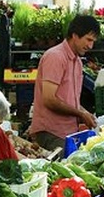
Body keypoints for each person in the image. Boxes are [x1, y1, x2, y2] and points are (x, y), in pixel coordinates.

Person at [28, 14, 100, 151]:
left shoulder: (77, 62)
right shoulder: (55, 57)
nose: (91, 45)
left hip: (68, 133)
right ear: (74, 35)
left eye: (93, 41)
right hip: (51, 132)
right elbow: (49, 99)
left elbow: (71, 101)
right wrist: (80, 114)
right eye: (88, 39)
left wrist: (86, 113)